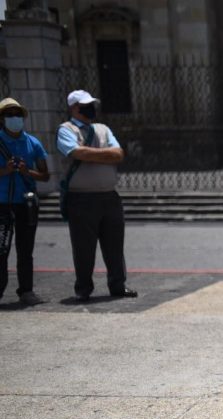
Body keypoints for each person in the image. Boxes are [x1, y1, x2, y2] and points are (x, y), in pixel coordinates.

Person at [57, 90, 134, 302]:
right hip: (81, 198)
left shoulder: (102, 128)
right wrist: (104, 154)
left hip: (109, 196)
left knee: (114, 246)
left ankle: (118, 285)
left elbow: (118, 154)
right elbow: (75, 153)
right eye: (85, 105)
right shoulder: (66, 130)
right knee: (84, 247)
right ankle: (83, 288)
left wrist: (91, 153)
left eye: (92, 104)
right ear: (74, 108)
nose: (91, 108)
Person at [0, 97, 48, 306]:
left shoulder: (32, 142)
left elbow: (45, 175)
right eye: (9, 115)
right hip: (2, 204)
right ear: (2, 119)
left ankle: (26, 291)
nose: (15, 118)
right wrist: (6, 170)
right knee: (1, 250)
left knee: (25, 249)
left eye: (18, 114)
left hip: (26, 203)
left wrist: (25, 171)